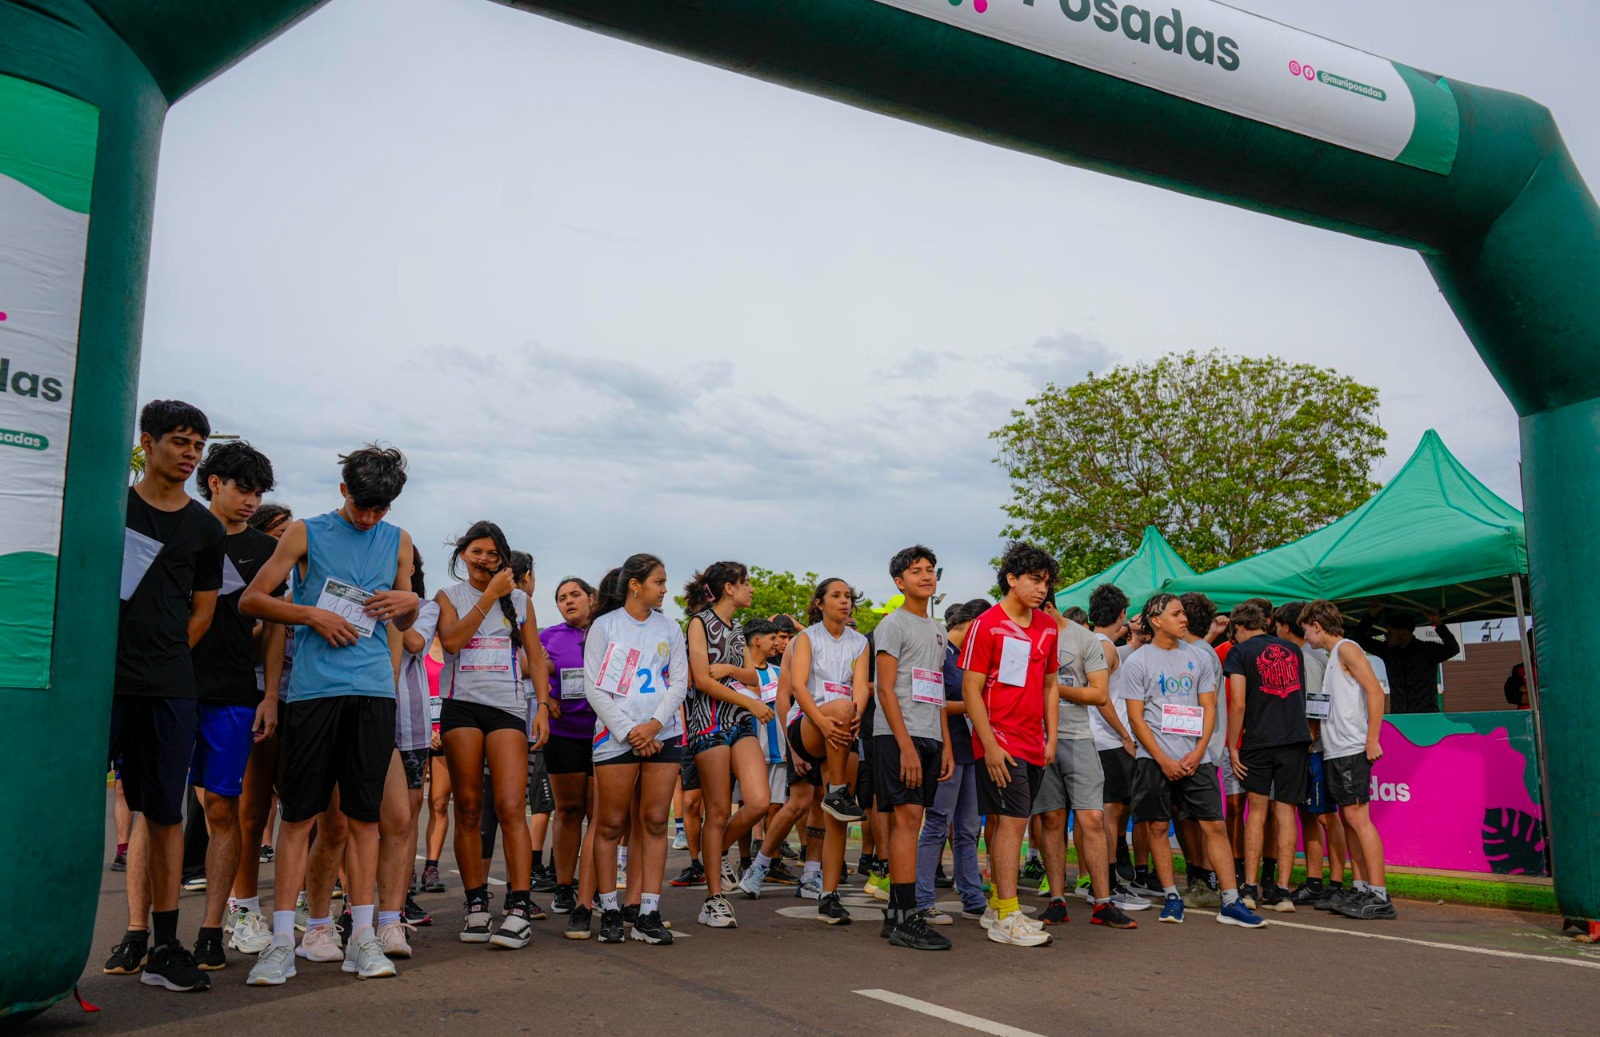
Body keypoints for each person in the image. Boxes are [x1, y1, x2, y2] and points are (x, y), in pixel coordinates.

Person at [240, 445, 420, 985]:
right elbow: (252, 600)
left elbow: (410, 606)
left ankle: (362, 937)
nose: (369, 518)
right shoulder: (304, 532)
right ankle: (280, 945)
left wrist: (400, 602)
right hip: (314, 693)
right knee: (298, 817)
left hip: (372, 691)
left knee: (365, 819)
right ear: (343, 491)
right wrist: (310, 614)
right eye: (362, 506)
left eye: (379, 509)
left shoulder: (398, 540)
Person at [104, 401, 226, 993]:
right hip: (101, 683)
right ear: (147, 442)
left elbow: (203, 610)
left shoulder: (204, 527)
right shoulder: (111, 505)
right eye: (180, 442)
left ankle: (167, 946)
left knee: (166, 811)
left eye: (198, 446)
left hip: (171, 686)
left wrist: (164, 656)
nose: (190, 454)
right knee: (77, 803)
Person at [179, 441, 284, 973]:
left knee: (224, 809)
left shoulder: (267, 550)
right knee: (157, 812)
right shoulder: (183, 528)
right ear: (214, 481)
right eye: (244, 488)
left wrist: (268, 696)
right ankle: (144, 932)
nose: (251, 499)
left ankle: (211, 930)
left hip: (235, 694)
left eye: (259, 491)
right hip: (169, 688)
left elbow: (276, 628)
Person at [434, 522, 551, 948]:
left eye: (492, 553)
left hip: (507, 710)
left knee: (509, 806)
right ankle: (476, 902)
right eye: (476, 551)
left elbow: (535, 656)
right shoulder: (448, 596)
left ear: (503, 559)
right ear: (462, 553)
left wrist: (541, 709)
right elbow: (451, 641)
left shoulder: (520, 600)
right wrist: (488, 597)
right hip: (461, 706)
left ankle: (519, 905)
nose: (483, 559)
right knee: (467, 805)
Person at [1121, 594, 1266, 929]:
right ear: (1156, 620)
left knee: (1214, 825)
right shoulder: (1138, 662)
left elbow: (1210, 708)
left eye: (1184, 613)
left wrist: (1200, 751)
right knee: (1157, 826)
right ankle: (1172, 896)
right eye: (1176, 614)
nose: (1184, 618)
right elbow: (1136, 718)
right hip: (1155, 760)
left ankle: (1230, 899)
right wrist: (1161, 758)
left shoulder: (1199, 657)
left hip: (1195, 759)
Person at [579, 554, 688, 945]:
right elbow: (594, 687)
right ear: (635, 584)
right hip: (616, 737)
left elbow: (678, 683)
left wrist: (655, 725)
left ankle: (648, 911)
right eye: (659, 581)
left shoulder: (671, 628)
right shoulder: (605, 627)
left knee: (656, 821)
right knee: (610, 824)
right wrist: (630, 731)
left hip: (663, 734)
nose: (664, 588)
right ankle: (608, 909)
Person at [960, 542, 1062, 948]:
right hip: (999, 740)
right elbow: (970, 689)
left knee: (1005, 823)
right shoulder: (986, 624)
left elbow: (1051, 684)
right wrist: (989, 744)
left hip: (1033, 740)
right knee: (1014, 824)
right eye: (1034, 580)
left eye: (1046, 582)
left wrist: (1050, 735)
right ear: (1012, 579)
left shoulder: (1049, 626)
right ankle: (1007, 912)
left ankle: (997, 907)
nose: (1042, 589)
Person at [1033, 595, 1138, 930]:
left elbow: (1098, 694)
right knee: (1051, 819)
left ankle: (1103, 902)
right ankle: (1057, 901)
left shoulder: (1083, 639)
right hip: (1037, 738)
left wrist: (1053, 688)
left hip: (1078, 738)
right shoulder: (1026, 635)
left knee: (1092, 818)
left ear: (1049, 607)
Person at [869, 547, 954, 951]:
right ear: (899, 582)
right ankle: (907, 917)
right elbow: (884, 688)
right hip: (895, 735)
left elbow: (934, 690)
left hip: (929, 735)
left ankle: (893, 914)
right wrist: (904, 745)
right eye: (916, 571)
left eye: (930, 570)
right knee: (906, 821)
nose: (926, 576)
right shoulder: (893, 625)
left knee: (913, 820)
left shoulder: (937, 630)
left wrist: (946, 745)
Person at [682, 562, 774, 928]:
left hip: (739, 720)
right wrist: (750, 701)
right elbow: (702, 680)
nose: (751, 588)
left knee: (759, 802)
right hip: (709, 722)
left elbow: (754, 675)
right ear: (728, 588)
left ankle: (715, 851)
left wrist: (733, 672)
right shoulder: (698, 623)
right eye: (746, 582)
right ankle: (713, 899)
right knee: (717, 811)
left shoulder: (737, 628)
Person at [1301, 601, 1397, 920]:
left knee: (1358, 819)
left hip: (1352, 748)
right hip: (1335, 750)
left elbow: (1375, 691)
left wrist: (1372, 739)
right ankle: (1359, 887)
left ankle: (1380, 894)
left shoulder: (1347, 648)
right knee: (1348, 821)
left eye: (1305, 628)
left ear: (1316, 624)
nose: (1305, 635)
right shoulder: (1333, 657)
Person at [786, 578, 872, 925]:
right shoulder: (807, 637)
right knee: (838, 707)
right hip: (810, 724)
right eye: (836, 595)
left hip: (843, 729)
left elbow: (862, 687)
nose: (844, 601)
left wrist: (857, 715)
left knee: (839, 818)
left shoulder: (860, 642)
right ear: (819, 603)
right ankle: (836, 790)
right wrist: (822, 721)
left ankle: (829, 894)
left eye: (848, 596)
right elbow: (796, 685)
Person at [1223, 601, 1310, 913]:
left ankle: (1249, 887)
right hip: (1295, 738)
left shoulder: (1240, 652)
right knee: (1286, 813)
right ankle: (1283, 890)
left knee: (1256, 813)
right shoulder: (1293, 650)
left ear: (1240, 627)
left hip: (1259, 739)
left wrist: (1233, 745)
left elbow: (1238, 704)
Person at [911, 600, 989, 924]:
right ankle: (922, 899)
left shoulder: (969, 657)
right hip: (947, 749)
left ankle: (973, 897)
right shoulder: (939, 650)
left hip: (970, 751)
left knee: (969, 828)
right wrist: (974, 705)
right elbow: (934, 701)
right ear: (969, 623)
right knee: (937, 824)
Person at [1274, 602, 1348, 907]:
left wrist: (1311, 738)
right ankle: (1315, 881)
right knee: (1307, 814)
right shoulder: (1297, 656)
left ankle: (1338, 883)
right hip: (1303, 747)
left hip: (1314, 748)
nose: (1275, 631)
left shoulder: (1309, 658)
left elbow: (1317, 701)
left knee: (1327, 815)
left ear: (1287, 627)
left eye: (1277, 625)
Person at [389, 546, 442, 950]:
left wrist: (389, 604)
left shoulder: (425, 607)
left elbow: (413, 644)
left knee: (404, 820)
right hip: (360, 714)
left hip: (408, 725)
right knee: (349, 816)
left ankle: (400, 898)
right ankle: (350, 903)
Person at [1086, 584, 1149, 914]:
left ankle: (1106, 883)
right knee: (1111, 816)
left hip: (1104, 740)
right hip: (1109, 741)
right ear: (1122, 613)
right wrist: (1125, 734)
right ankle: (1106, 885)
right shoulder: (1105, 648)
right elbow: (1102, 699)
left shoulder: (1096, 642)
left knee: (1113, 814)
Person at [540, 577, 598, 918]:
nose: (568, 601)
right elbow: (529, 664)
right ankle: (564, 886)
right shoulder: (549, 636)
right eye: (561, 598)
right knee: (568, 810)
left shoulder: (606, 631)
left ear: (592, 598)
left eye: (575, 594)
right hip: (564, 734)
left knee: (599, 816)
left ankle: (596, 887)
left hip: (604, 735)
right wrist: (546, 698)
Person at [1351, 605, 1458, 715]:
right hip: (1400, 717)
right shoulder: (1387, 651)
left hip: (1426, 717)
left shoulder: (1426, 650)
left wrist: (1437, 622)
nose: (1386, 637)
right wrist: (1371, 614)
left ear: (1404, 635)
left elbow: (1453, 649)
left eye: (1390, 633)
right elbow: (1359, 639)